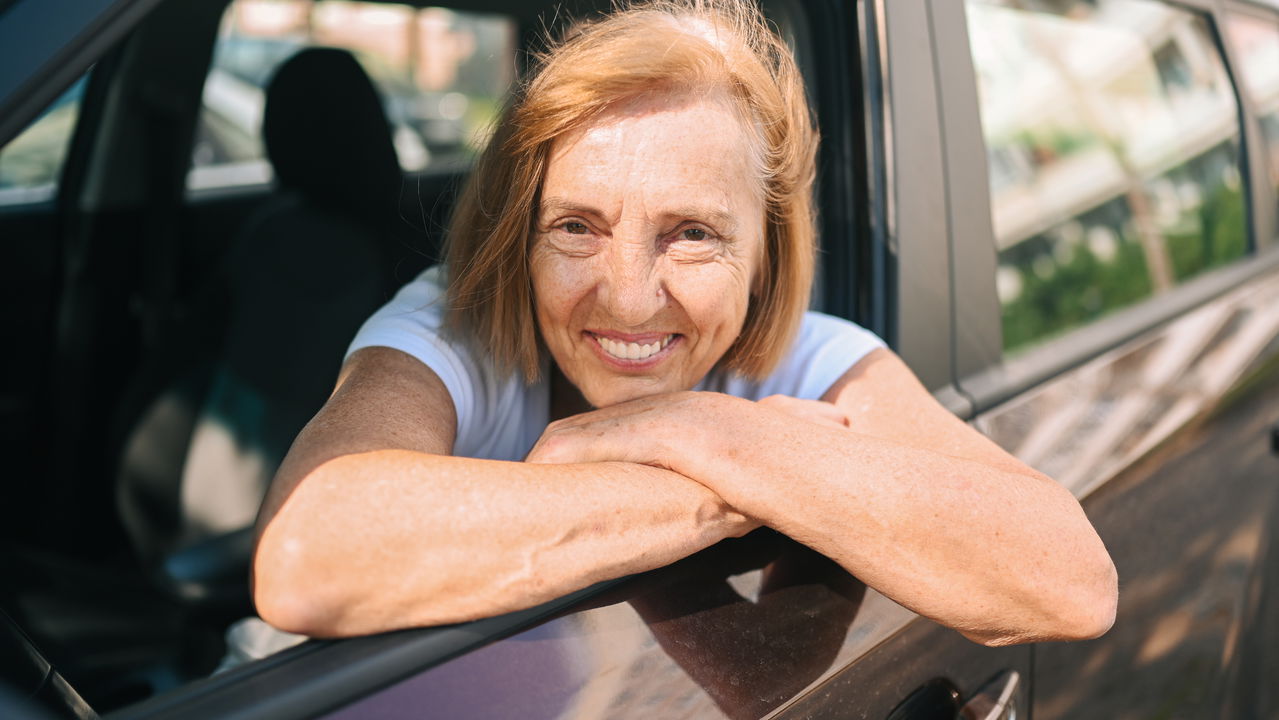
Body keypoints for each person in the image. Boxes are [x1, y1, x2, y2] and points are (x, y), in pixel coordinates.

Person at [251, 0, 1117, 646]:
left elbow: (1070, 582)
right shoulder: (453, 328)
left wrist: (712, 433)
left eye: (692, 234)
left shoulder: (814, 358)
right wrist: (735, 491)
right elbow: (305, 551)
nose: (627, 299)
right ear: (519, 234)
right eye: (575, 227)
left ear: (766, 251)